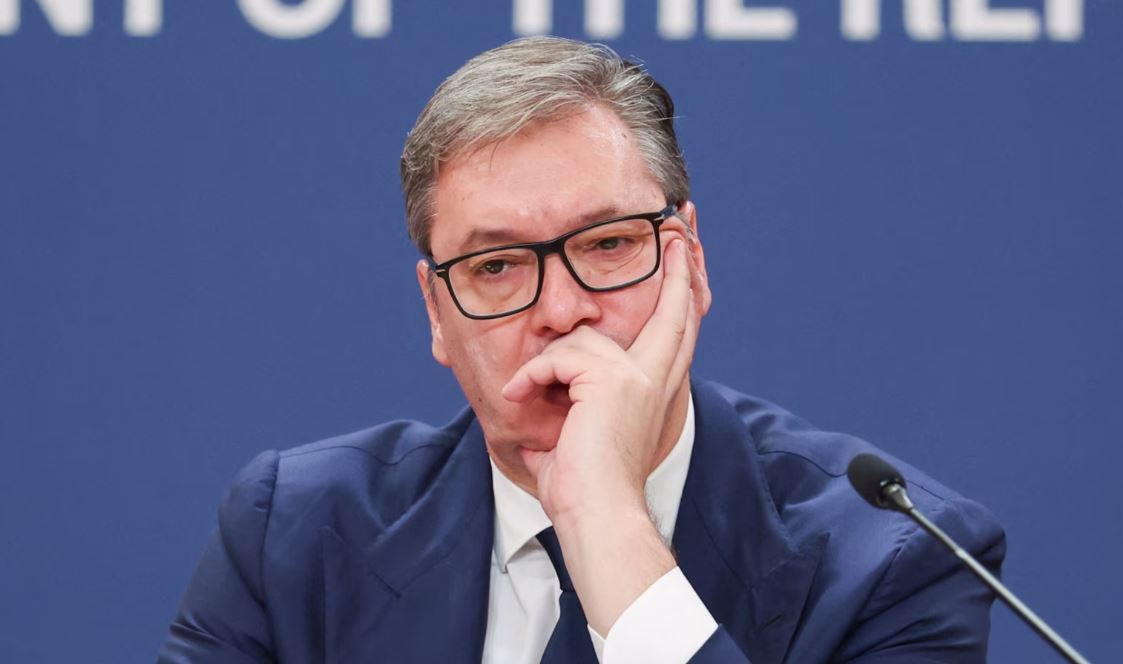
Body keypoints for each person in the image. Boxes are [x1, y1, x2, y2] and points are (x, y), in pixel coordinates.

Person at [160, 37, 1005, 663]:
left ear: (688, 263)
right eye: (496, 266)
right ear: (436, 313)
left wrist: (604, 519)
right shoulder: (294, 536)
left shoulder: (892, 561)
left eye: (606, 245)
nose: (562, 312)